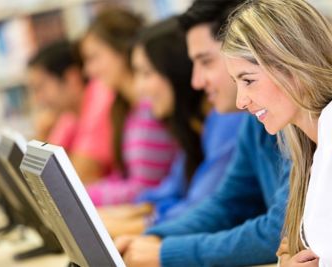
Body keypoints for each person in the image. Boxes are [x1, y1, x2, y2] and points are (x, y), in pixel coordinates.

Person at [115, 0, 290, 266]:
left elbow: (282, 230)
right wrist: (155, 238)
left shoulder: (295, 122)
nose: (196, 81)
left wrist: (167, 252)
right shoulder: (253, 121)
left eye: (205, 61)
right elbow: (227, 203)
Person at [98, 17, 243, 238]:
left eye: (146, 73)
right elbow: (167, 192)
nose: (139, 88)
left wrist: (134, 224)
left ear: (177, 69)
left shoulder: (227, 119)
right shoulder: (196, 128)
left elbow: (202, 205)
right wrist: (121, 216)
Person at [222, 0, 332, 265]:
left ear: (295, 66)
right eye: (236, 83)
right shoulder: (308, 145)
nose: (241, 101)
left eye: (248, 80)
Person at [80, 7, 177, 205]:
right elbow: (125, 177)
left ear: (122, 50)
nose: (88, 70)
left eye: (94, 57)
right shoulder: (128, 110)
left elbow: (145, 188)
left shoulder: (153, 108)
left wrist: (78, 196)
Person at [27, 40, 114, 182]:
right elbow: (39, 172)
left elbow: (74, 180)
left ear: (71, 78)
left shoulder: (101, 100)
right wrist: (41, 134)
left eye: (41, 88)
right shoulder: (69, 115)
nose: (38, 99)